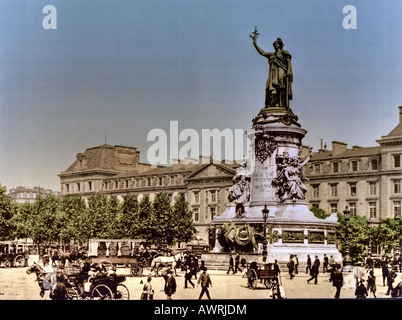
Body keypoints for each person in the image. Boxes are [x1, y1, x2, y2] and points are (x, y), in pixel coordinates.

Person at [252, 35, 293, 109]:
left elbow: (289, 63)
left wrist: (289, 72)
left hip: (282, 70)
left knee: (281, 86)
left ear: (280, 44)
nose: (275, 45)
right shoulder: (272, 54)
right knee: (272, 86)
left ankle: (281, 104)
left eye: (277, 43)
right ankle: (273, 103)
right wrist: (255, 45)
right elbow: (263, 53)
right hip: (273, 73)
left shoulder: (285, 53)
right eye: (274, 44)